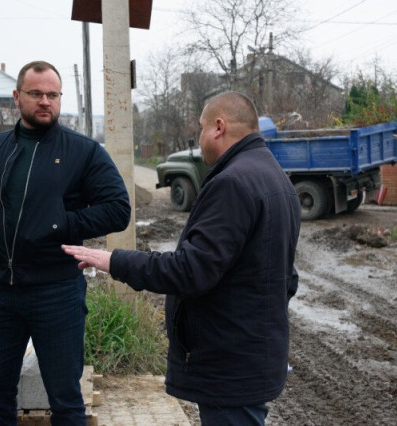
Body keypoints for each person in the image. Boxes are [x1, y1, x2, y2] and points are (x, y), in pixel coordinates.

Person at [63, 91, 300, 425]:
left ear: (219, 127)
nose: (199, 139)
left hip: (230, 366)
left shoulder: (233, 183)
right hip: (252, 357)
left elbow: (190, 270)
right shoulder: (274, 175)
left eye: (201, 128)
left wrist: (114, 261)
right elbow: (286, 277)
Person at [0, 60, 130, 425]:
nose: (45, 101)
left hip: (56, 292)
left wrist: (62, 223)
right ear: (17, 97)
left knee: (65, 398)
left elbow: (118, 209)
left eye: (53, 94)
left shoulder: (83, 151)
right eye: (36, 93)